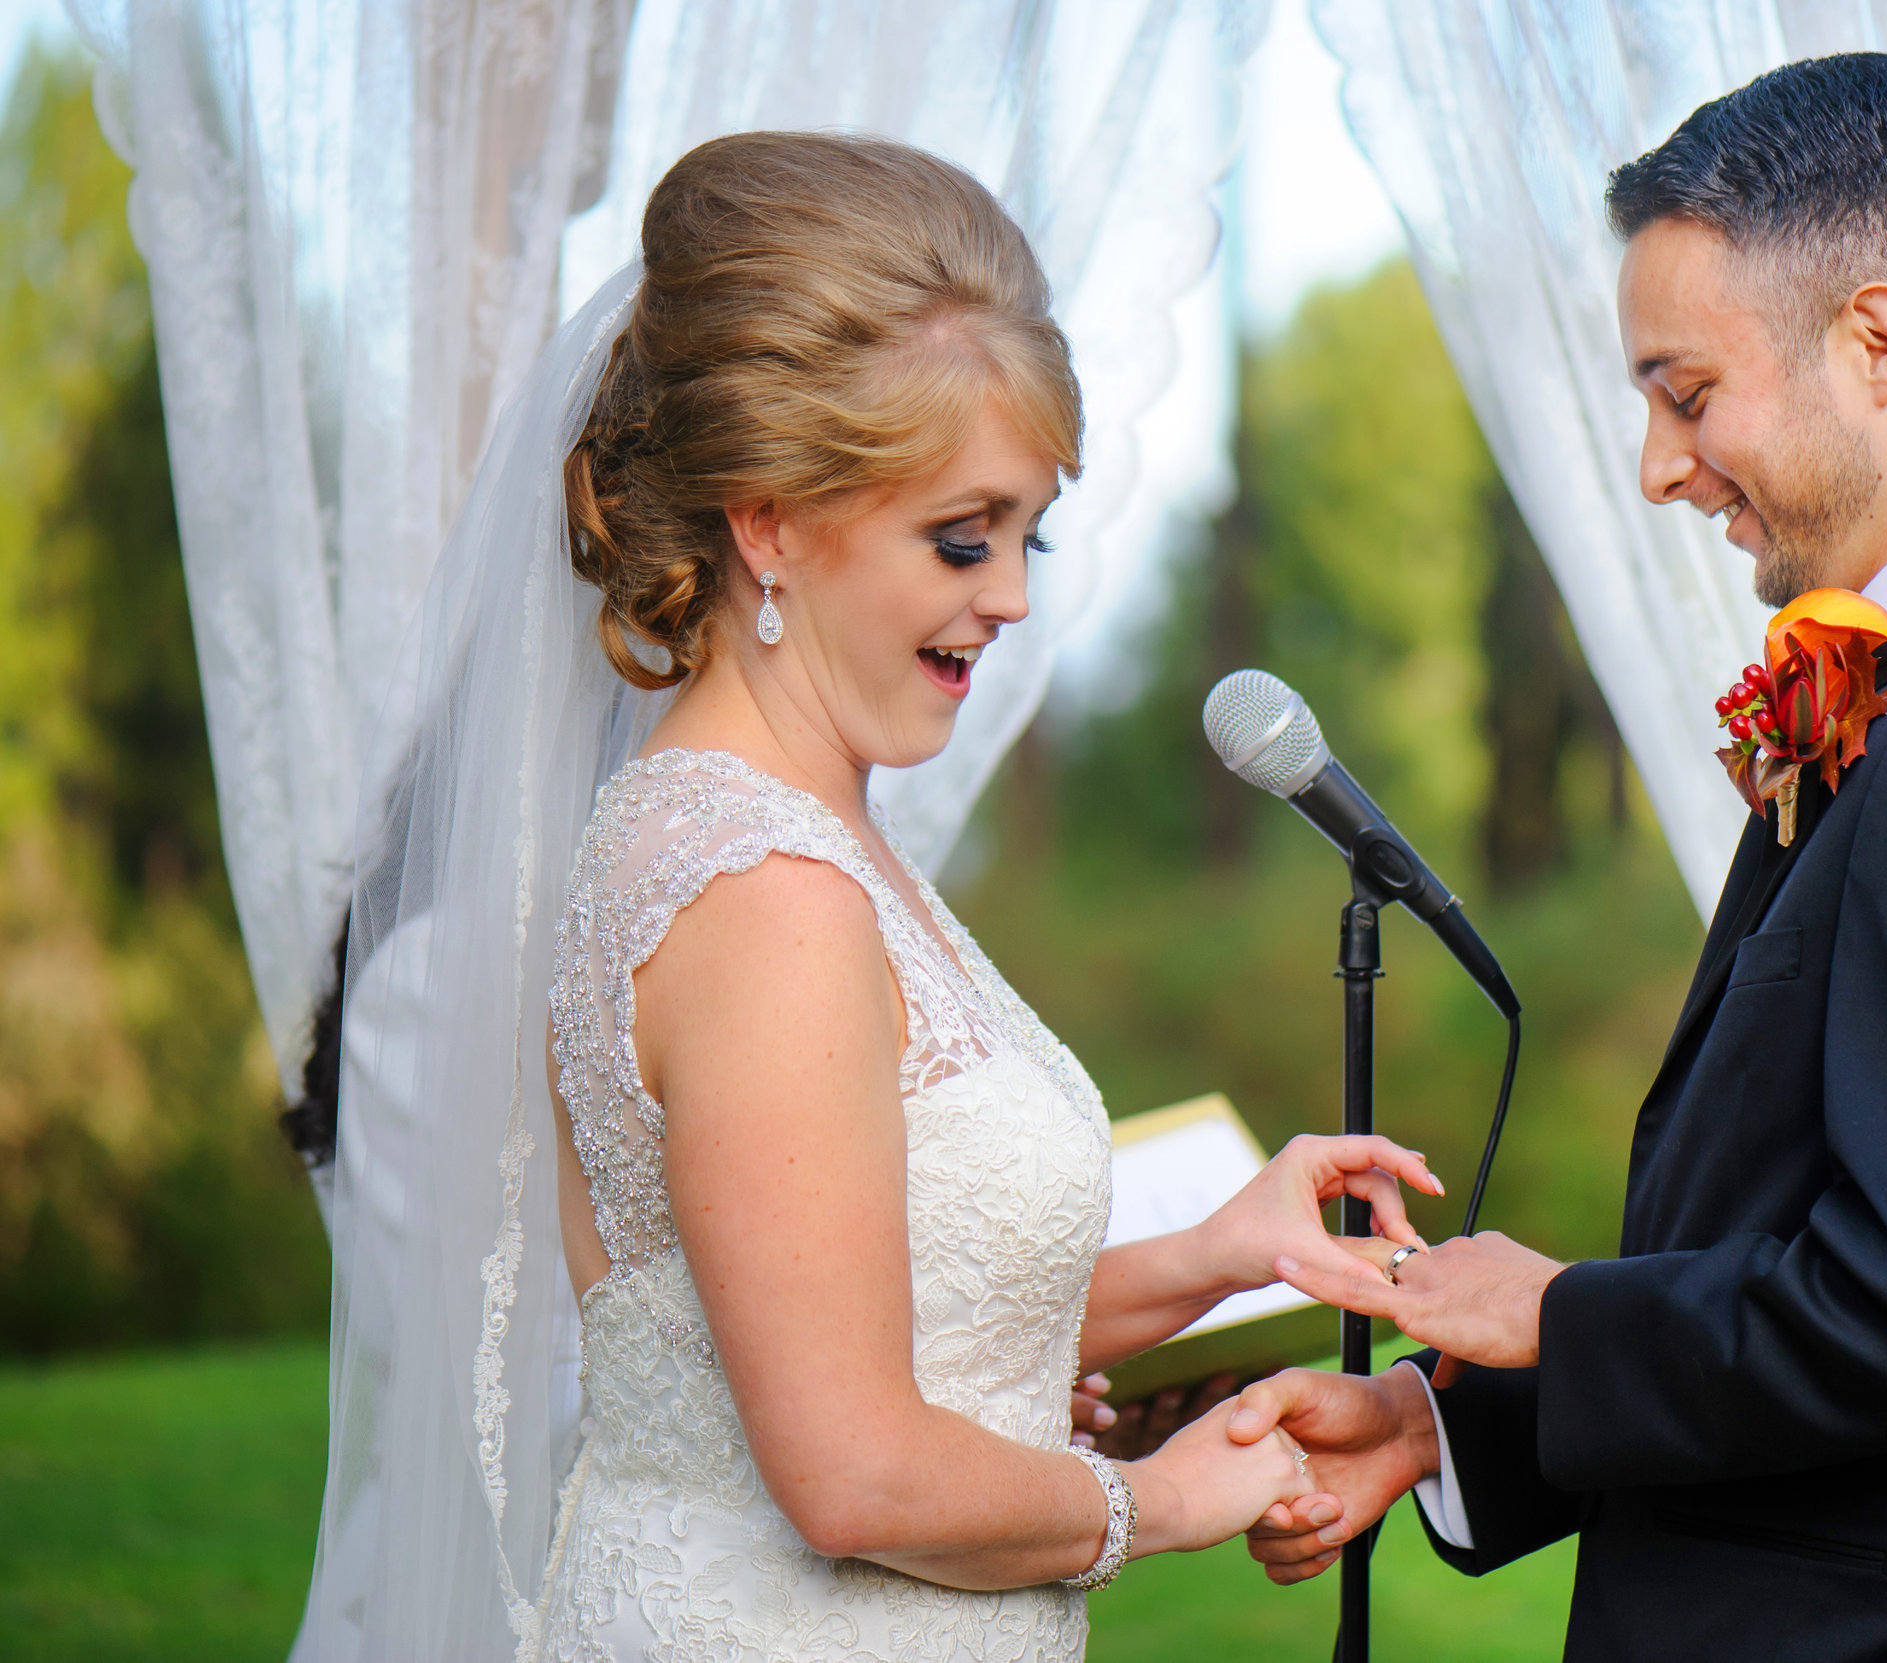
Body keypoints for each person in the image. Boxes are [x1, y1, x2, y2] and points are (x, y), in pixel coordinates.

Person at [297, 131, 1413, 1662]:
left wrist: (1221, 1250)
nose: (1014, 594)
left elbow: (853, 1320)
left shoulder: (784, 835)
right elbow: (847, 1469)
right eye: (962, 537)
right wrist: (1147, 1501)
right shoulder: (762, 890)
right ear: (767, 519)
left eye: (1031, 533)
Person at [1229, 53, 1887, 1663]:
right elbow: (1821, 1256)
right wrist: (1457, 1431)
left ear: (1875, 341)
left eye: (1685, 392)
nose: (1657, 464)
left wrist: (1558, 1319)